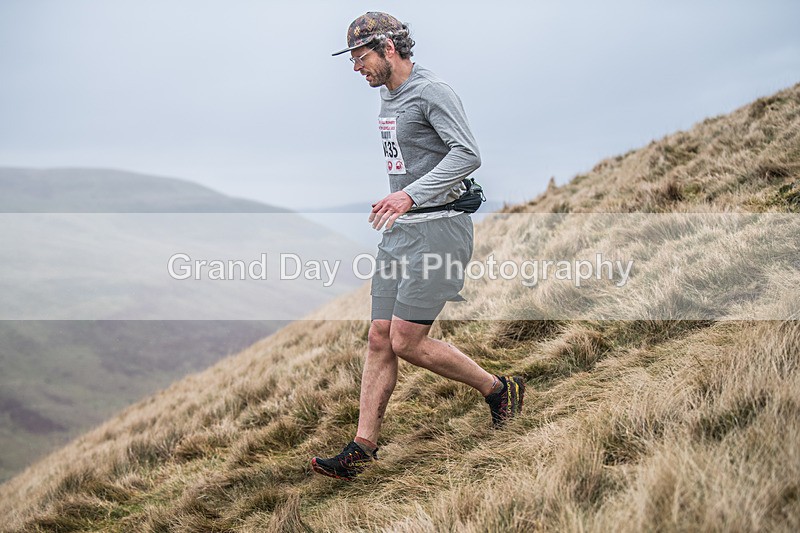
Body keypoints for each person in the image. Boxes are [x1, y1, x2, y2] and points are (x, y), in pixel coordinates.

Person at [311, 12, 525, 481]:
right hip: (401, 231)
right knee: (378, 337)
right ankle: (362, 447)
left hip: (440, 229)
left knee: (407, 341)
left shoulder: (432, 91)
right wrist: (399, 202)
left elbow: (467, 153)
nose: (354, 68)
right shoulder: (387, 97)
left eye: (360, 56)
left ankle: (497, 389)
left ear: (388, 48)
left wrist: (411, 194)